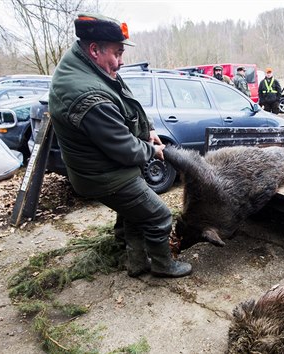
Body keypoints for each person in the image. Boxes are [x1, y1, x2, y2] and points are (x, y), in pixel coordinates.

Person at [48, 13, 192, 278]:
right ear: (94, 49)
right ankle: (163, 265)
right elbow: (125, 148)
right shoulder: (87, 94)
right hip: (104, 174)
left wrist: (148, 128)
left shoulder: (92, 67)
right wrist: (154, 151)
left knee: (136, 213)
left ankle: (136, 263)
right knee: (159, 215)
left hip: (106, 165)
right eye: (117, 53)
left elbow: (126, 98)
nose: (122, 61)